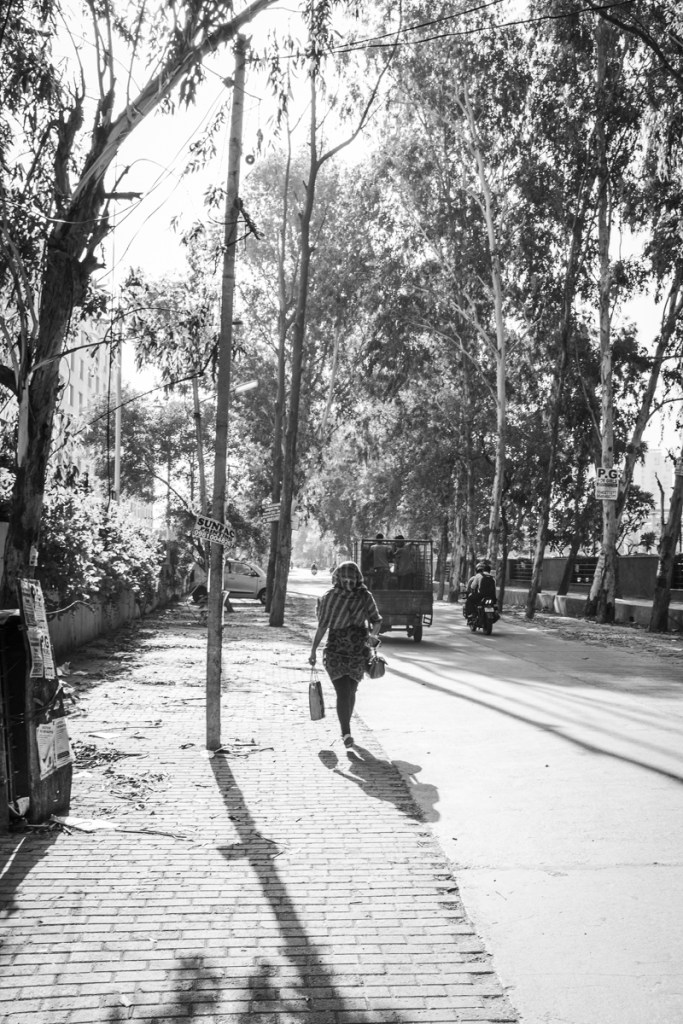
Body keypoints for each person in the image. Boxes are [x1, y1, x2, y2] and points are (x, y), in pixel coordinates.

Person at [308, 561, 382, 749]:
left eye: (351, 578)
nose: (348, 581)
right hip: (342, 651)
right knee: (344, 692)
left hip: (352, 651)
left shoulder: (358, 596)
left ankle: (345, 730)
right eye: (346, 578)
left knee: (350, 692)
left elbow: (376, 620)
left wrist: (372, 638)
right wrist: (313, 650)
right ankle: (346, 733)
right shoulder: (336, 597)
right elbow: (322, 626)